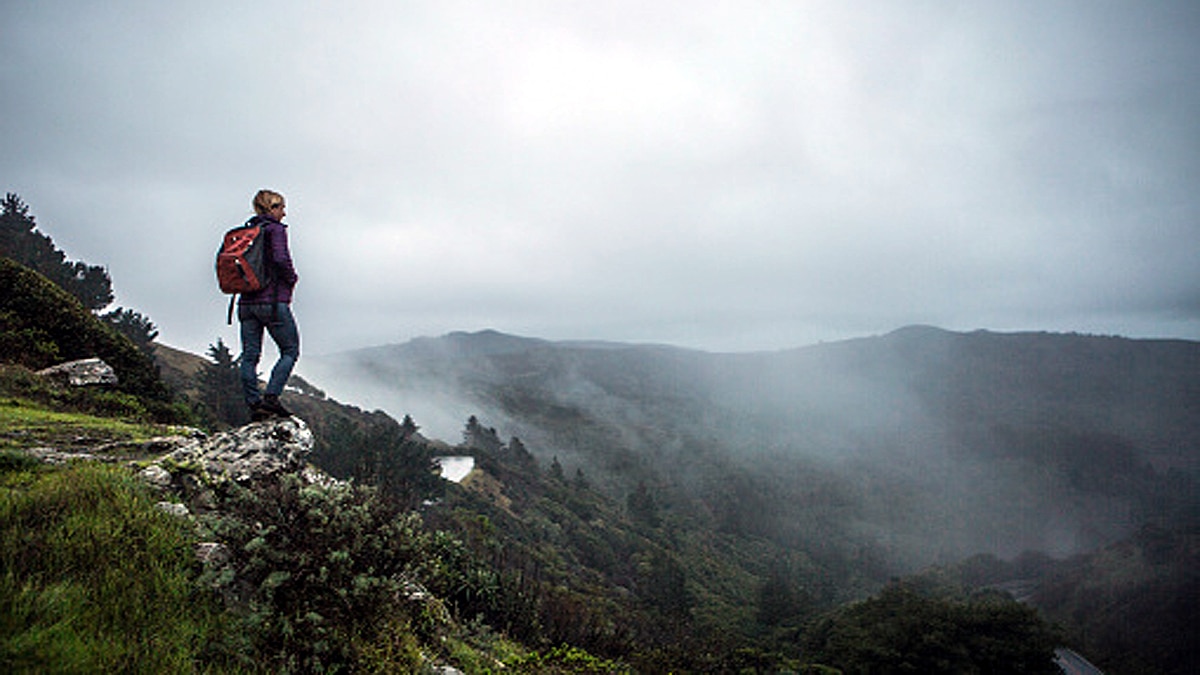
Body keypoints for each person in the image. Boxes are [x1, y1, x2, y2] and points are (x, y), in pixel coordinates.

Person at [237, 189, 300, 420]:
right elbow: (281, 259)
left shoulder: (248, 231)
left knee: (249, 355)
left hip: (246, 303)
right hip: (273, 302)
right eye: (281, 207)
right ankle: (271, 398)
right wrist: (292, 278)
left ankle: (255, 404)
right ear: (272, 208)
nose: (284, 213)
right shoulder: (275, 230)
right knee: (290, 350)